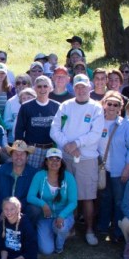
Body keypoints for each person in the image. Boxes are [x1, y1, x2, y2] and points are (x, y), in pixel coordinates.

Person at [51, 74, 101, 245]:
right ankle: (70, 228)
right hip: (66, 156)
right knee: (68, 195)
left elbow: (96, 133)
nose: (80, 90)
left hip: (87, 158)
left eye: (83, 87)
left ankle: (89, 230)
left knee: (87, 197)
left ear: (89, 88)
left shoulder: (96, 108)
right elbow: (54, 129)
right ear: (73, 88)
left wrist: (77, 144)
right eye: (77, 87)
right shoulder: (66, 106)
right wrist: (67, 145)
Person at [95, 92, 129, 243]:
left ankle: (118, 231)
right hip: (102, 169)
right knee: (105, 198)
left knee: (119, 201)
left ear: (120, 107)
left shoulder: (125, 125)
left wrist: (127, 169)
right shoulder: (97, 121)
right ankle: (103, 227)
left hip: (119, 170)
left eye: (116, 104)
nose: (112, 107)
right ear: (104, 104)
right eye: (109, 103)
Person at [26, 148, 78, 256]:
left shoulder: (69, 177)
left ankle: (59, 247)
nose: (54, 162)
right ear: (46, 161)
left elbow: (73, 202)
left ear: (61, 162)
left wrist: (62, 215)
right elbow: (30, 197)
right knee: (46, 250)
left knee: (61, 228)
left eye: (57, 159)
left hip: (63, 216)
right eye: (51, 159)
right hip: (45, 217)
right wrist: (43, 204)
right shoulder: (39, 175)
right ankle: (56, 234)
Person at [0, 140, 35, 227]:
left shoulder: (33, 173)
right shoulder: (0, 170)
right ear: (11, 155)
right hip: (0, 216)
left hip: (22, 217)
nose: (19, 156)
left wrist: (14, 211)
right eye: (16, 154)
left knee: (35, 209)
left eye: (22, 154)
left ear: (27, 156)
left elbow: (34, 197)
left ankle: (28, 228)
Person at [15, 75, 60, 169]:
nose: (42, 89)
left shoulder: (57, 106)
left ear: (50, 88)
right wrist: (20, 149)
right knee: (30, 175)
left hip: (50, 149)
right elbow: (19, 130)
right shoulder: (26, 106)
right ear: (34, 88)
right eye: (39, 86)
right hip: (32, 149)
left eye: (45, 86)